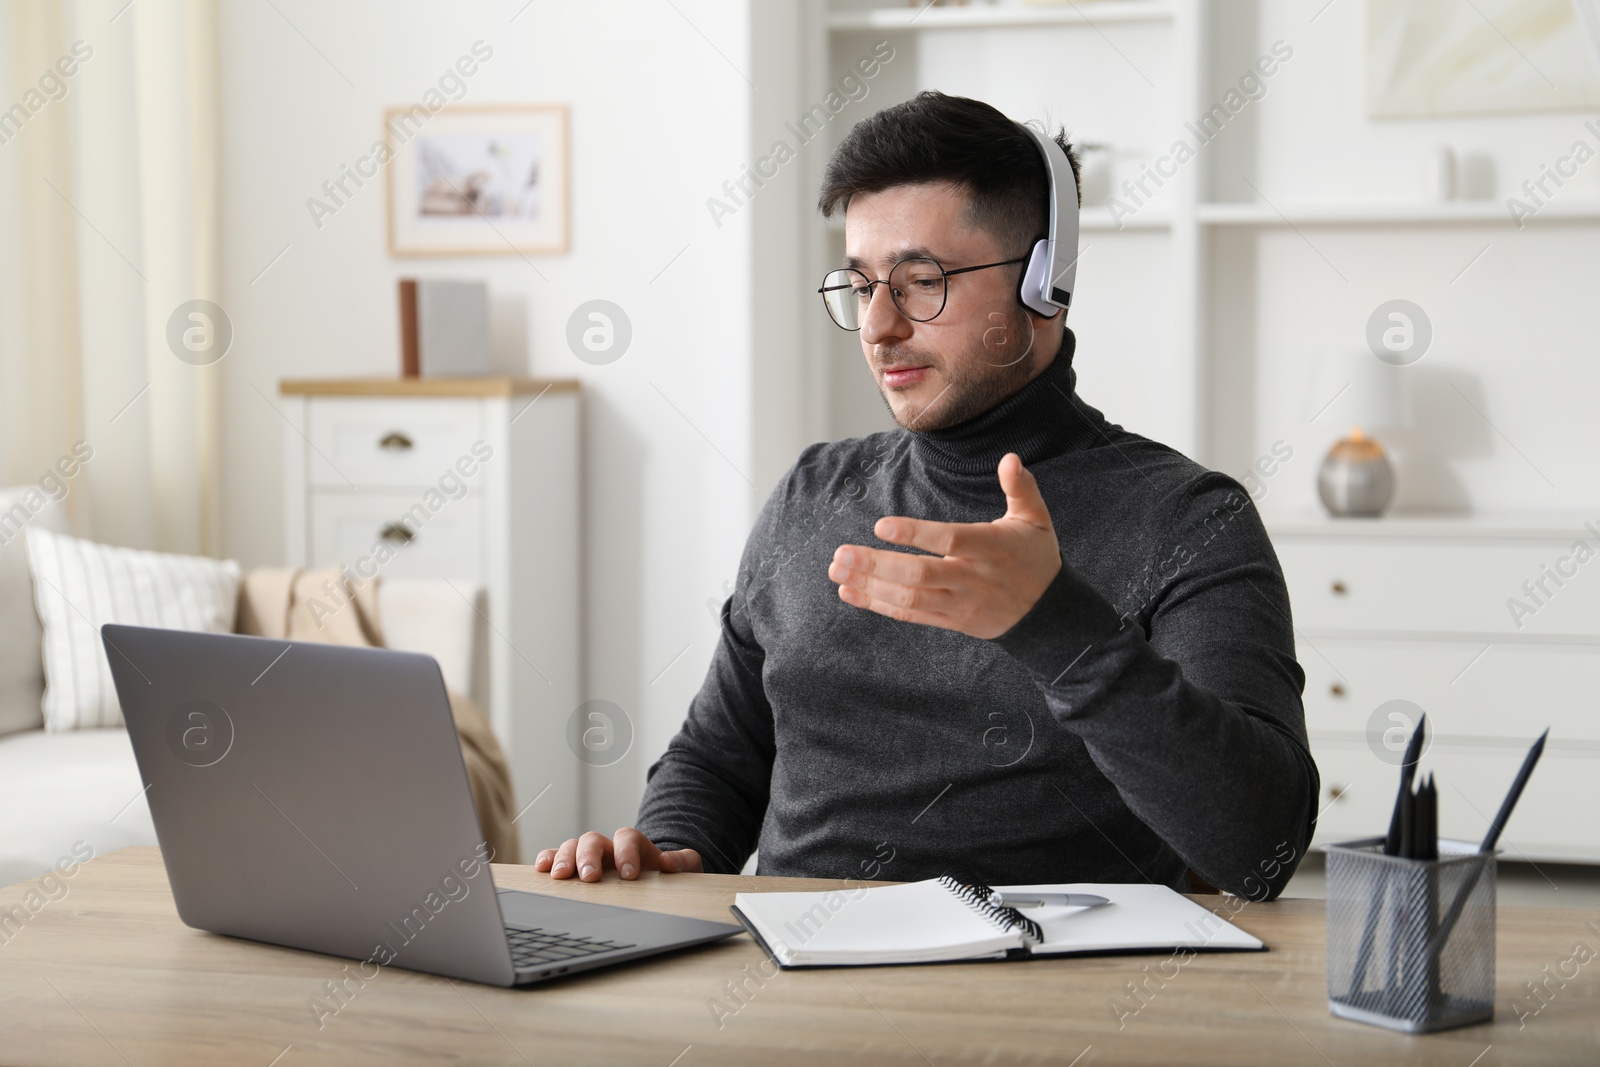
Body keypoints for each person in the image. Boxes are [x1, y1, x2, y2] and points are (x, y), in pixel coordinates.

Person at [536, 92, 1319, 899]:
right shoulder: (813, 491)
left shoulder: (1188, 518)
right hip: (785, 986)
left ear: (1046, 282)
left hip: (1044, 996)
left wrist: (1055, 624)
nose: (878, 325)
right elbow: (719, 758)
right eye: (861, 283)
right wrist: (669, 853)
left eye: (921, 280)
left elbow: (1261, 845)